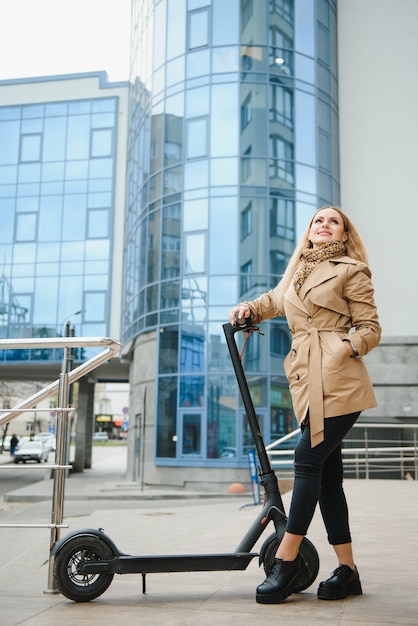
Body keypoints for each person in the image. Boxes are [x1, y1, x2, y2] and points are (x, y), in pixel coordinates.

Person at [229, 206, 381, 604]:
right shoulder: (297, 271)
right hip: (305, 379)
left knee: (306, 460)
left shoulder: (352, 270)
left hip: (339, 378)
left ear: (343, 235)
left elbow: (370, 328)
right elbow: (273, 301)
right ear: (310, 232)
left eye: (334, 222)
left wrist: (343, 348)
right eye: (318, 221)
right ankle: (348, 571)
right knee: (328, 478)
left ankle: (287, 556)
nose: (325, 225)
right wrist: (248, 308)